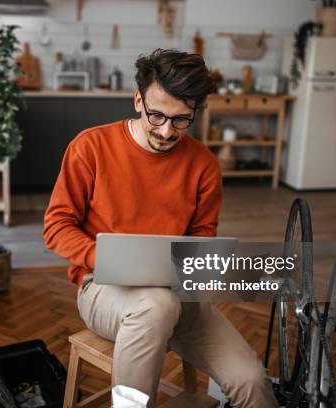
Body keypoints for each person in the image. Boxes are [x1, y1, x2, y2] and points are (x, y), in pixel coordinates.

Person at [43, 48, 278, 407]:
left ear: (195, 112)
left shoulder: (204, 166)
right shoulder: (90, 147)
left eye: (182, 119)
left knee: (252, 382)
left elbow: (203, 237)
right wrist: (106, 258)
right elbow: (56, 226)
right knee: (156, 304)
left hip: (178, 295)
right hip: (103, 288)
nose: (167, 131)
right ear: (138, 100)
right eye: (157, 116)